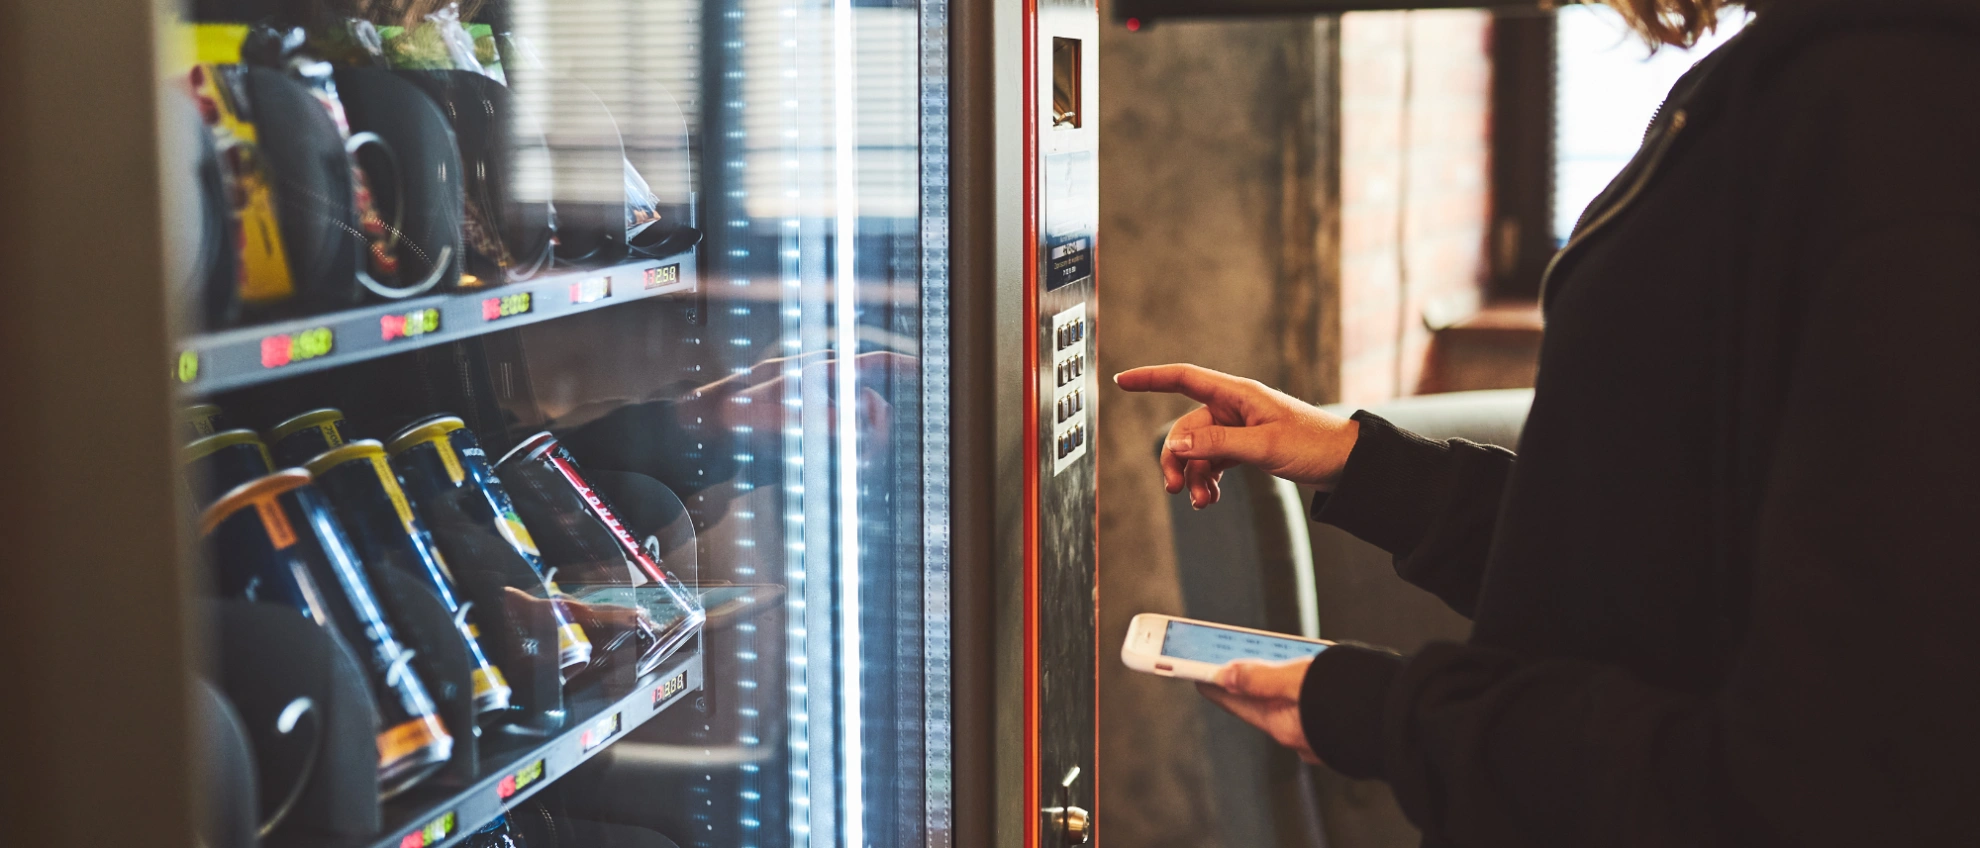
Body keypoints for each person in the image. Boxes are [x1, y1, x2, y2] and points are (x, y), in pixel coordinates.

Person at [1115, 0, 1980, 843]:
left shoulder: (1901, 120)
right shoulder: (1801, 77)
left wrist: (1393, 716)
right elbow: (1657, 568)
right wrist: (1356, 458)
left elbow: (1822, 789)